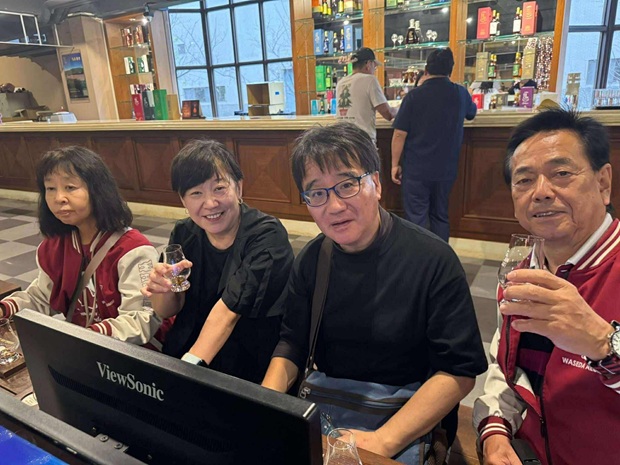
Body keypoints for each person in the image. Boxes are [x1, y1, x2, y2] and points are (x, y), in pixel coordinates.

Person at [262, 122, 487, 462]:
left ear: (377, 184)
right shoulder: (312, 260)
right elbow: (292, 343)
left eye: (347, 185)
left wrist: (381, 441)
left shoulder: (433, 259)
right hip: (333, 410)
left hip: (407, 419)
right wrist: (267, 407)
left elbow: (459, 371)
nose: (334, 206)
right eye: (317, 193)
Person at [473, 108, 620, 465]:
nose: (540, 192)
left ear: (603, 183)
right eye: (524, 180)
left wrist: (604, 344)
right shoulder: (521, 271)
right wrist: (495, 431)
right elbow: (506, 368)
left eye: (561, 174)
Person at [142, 139, 294, 384]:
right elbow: (167, 310)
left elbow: (228, 313)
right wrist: (163, 288)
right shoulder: (184, 233)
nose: (210, 203)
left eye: (219, 188)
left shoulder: (267, 235)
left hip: (249, 361)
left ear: (239, 188)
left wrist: (186, 372)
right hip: (192, 348)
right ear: (183, 200)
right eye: (196, 193)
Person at [0, 146, 163, 346]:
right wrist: (4, 309)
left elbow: (141, 320)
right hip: (83, 347)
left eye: (70, 187)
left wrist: (83, 337)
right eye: (50, 188)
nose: (59, 198)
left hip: (128, 354)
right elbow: (42, 297)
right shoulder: (54, 246)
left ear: (97, 190)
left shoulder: (133, 250)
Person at [391, 47, 477, 242]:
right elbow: (471, 113)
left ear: (426, 69)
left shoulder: (414, 96)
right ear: (450, 70)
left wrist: (395, 164)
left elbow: (399, 133)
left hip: (417, 168)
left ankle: (420, 257)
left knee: (416, 216)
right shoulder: (460, 93)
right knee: (440, 214)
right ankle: (441, 255)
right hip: (446, 168)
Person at [336, 47, 397, 144]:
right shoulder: (370, 80)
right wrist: (400, 109)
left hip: (342, 141)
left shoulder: (341, 82)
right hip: (362, 142)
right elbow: (388, 114)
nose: (374, 70)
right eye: (374, 66)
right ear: (368, 64)